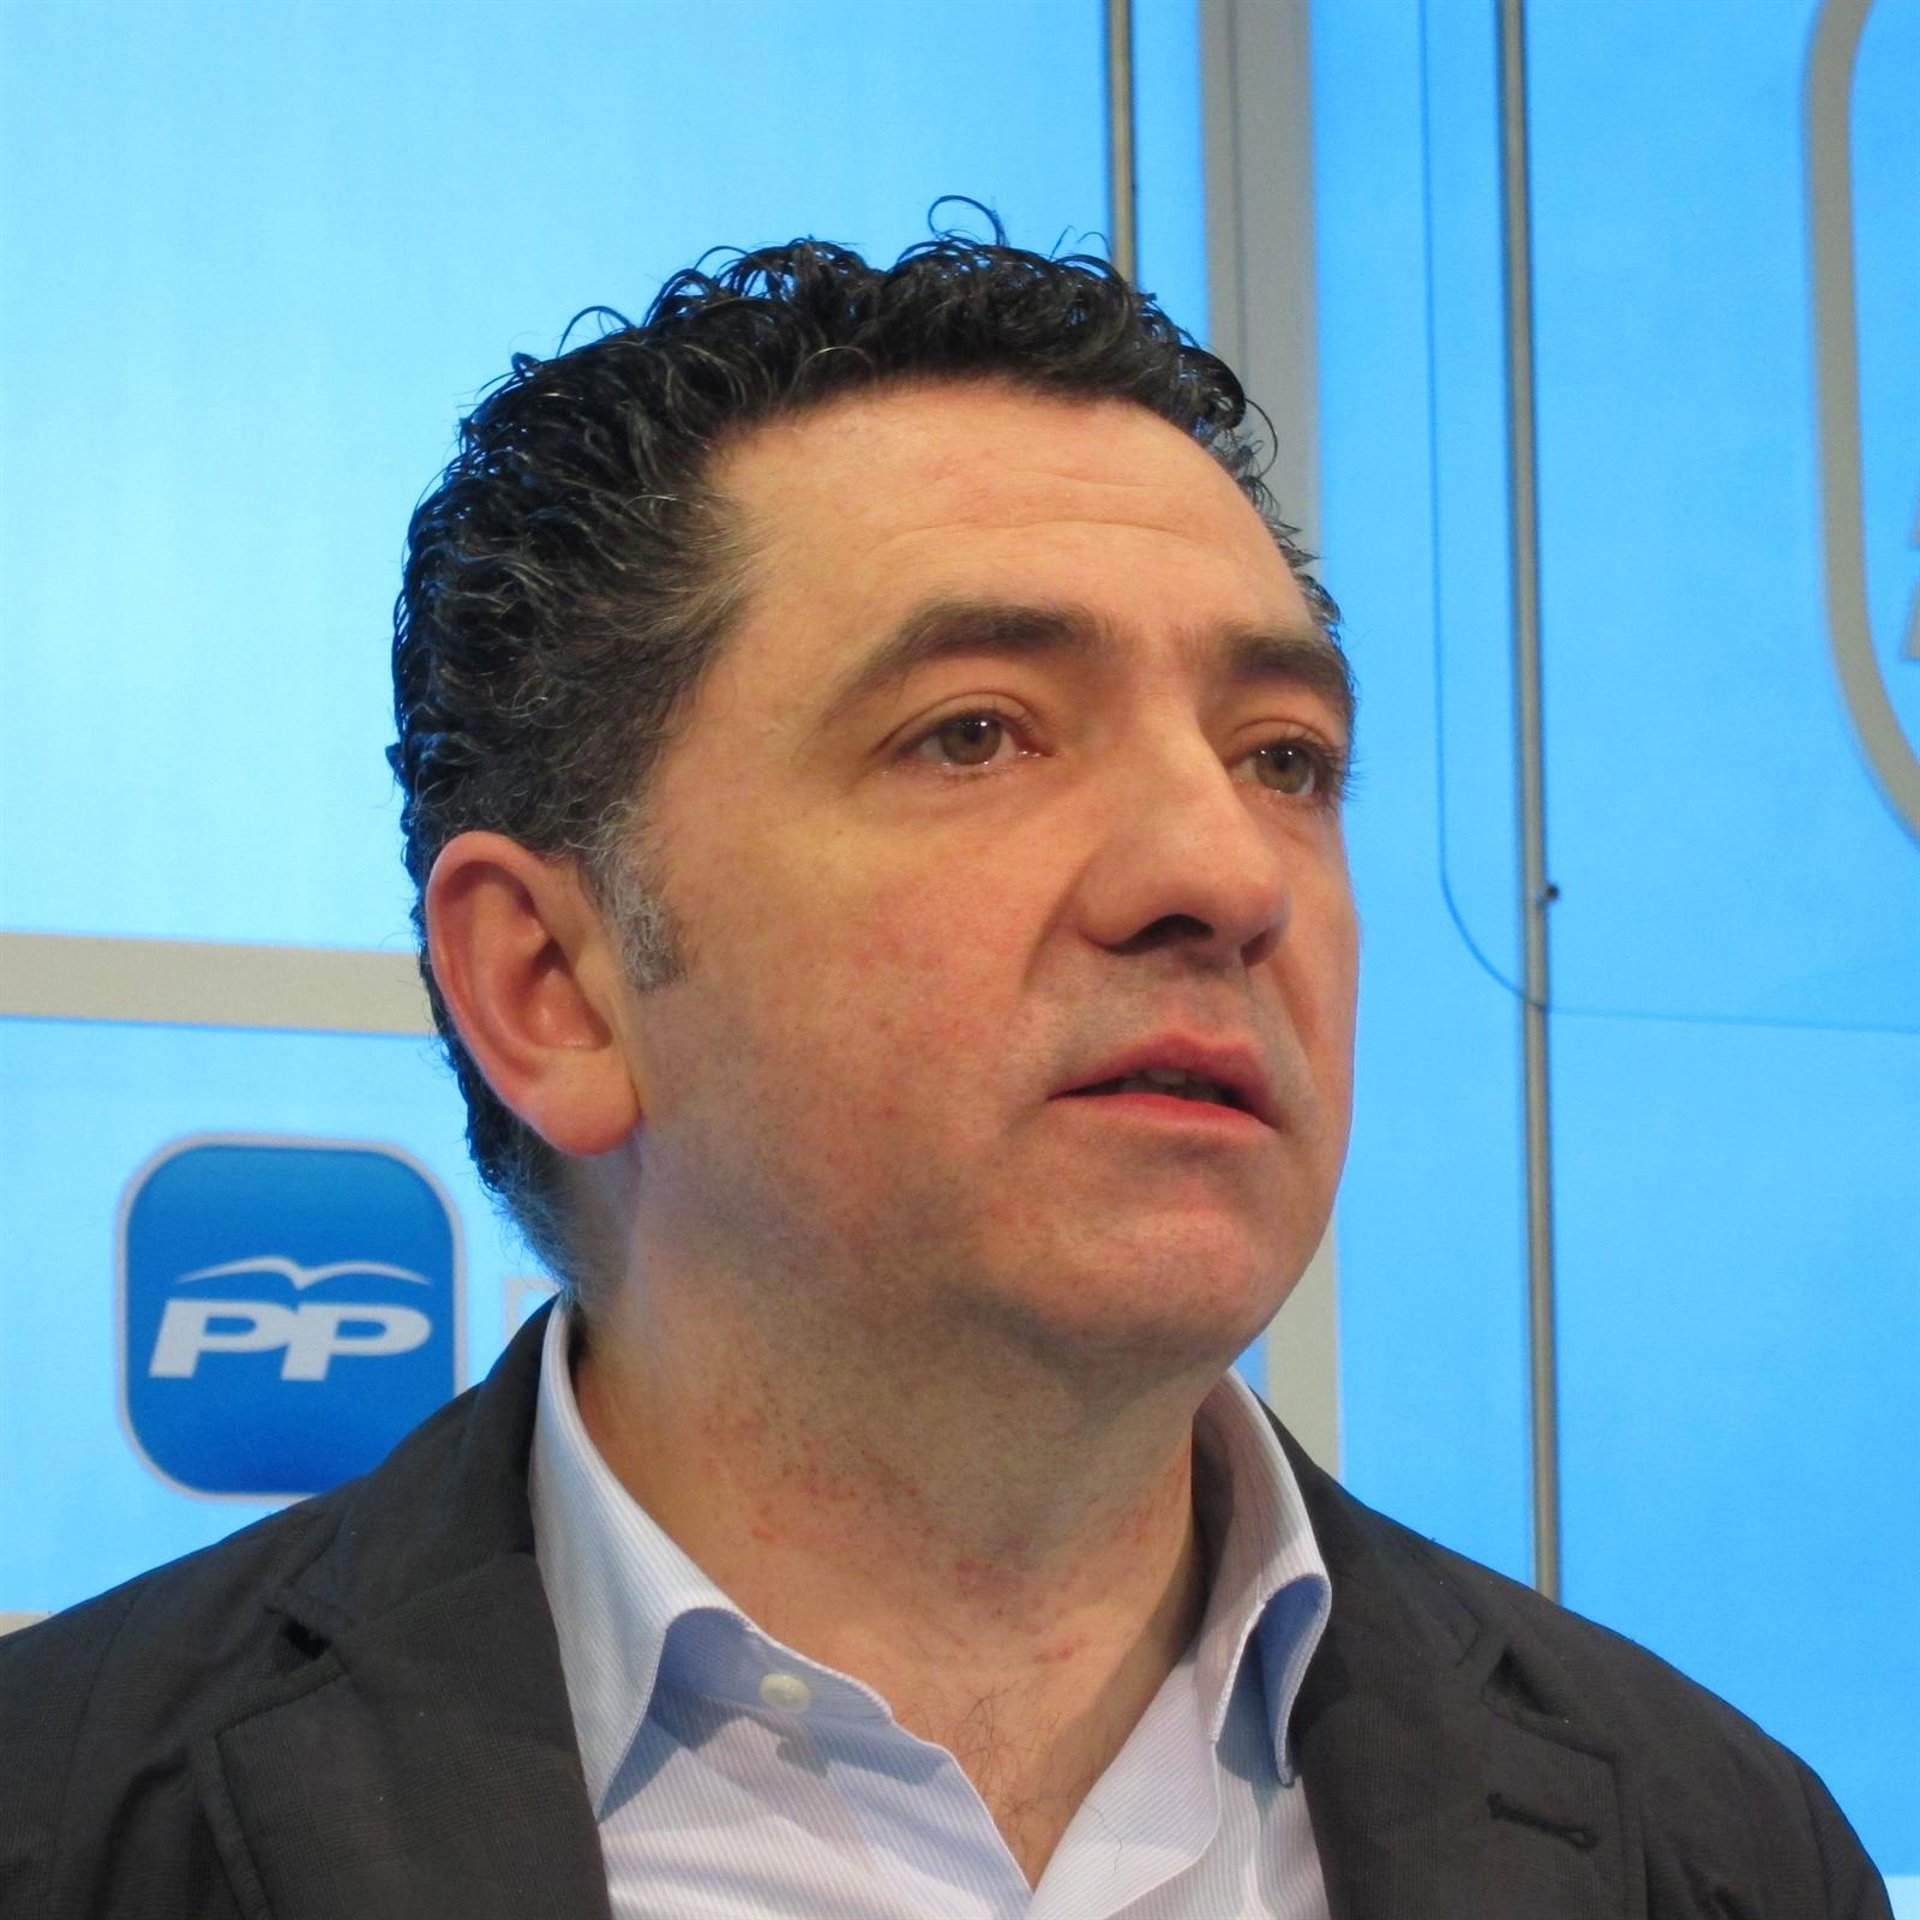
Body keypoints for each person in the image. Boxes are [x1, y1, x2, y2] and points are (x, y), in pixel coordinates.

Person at [0, 231, 1891, 1920]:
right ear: (554, 987)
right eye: (977, 734)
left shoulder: (1712, 1850)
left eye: (1285, 758)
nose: (1223, 873)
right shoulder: (61, 1827)